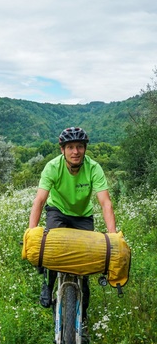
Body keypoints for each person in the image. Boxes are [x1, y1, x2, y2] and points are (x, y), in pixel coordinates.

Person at [28, 126, 117, 321]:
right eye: (70, 147)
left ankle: (82, 321)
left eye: (79, 146)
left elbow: (105, 203)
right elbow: (40, 200)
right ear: (62, 150)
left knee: (83, 268)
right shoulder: (52, 167)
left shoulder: (94, 168)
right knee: (52, 249)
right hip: (57, 211)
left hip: (83, 216)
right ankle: (48, 285)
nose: (75, 151)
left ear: (85, 149)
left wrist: (113, 237)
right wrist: (31, 232)